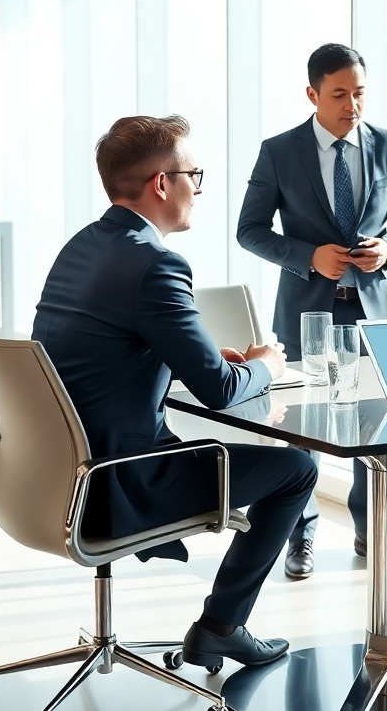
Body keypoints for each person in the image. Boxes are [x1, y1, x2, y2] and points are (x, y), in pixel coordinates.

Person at [32, 114, 318, 672]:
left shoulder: (82, 246)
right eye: (195, 174)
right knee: (298, 470)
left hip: (56, 470)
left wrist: (208, 361)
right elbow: (219, 392)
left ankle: (221, 626)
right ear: (162, 183)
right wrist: (262, 364)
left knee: (283, 464)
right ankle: (221, 627)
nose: (200, 188)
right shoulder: (157, 263)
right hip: (120, 479)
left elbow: (105, 352)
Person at [237, 43, 387, 578]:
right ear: (312, 94)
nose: (352, 105)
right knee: (306, 427)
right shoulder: (279, 151)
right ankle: (300, 536)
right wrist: (307, 256)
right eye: (340, 94)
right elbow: (249, 230)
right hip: (308, 313)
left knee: (376, 424)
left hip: (374, 314)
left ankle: (372, 530)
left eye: (360, 93)